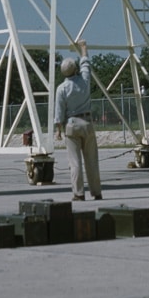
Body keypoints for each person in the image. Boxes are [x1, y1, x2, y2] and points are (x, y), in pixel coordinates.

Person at [54, 41, 103, 201]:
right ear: (75, 69)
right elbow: (86, 64)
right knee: (92, 161)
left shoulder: (61, 89)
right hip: (87, 122)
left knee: (74, 162)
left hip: (72, 124)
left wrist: (58, 129)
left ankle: (79, 193)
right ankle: (96, 192)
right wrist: (83, 48)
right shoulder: (84, 81)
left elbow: (59, 111)